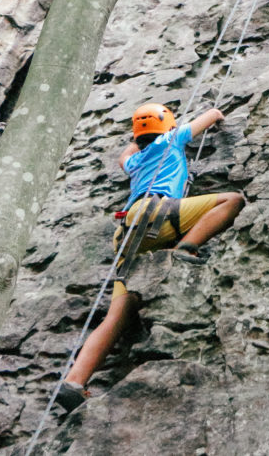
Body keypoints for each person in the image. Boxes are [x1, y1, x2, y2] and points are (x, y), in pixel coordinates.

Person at [56, 103, 244, 411]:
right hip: (157, 215)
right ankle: (185, 248)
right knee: (232, 200)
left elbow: (123, 159)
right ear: (167, 126)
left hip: (128, 231)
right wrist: (217, 113)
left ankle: (75, 382)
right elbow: (211, 117)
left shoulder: (137, 160)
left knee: (117, 315)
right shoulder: (171, 138)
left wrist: (135, 138)